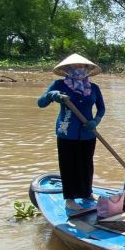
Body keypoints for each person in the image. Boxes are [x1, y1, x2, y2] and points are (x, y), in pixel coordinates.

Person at [37, 53, 105, 211]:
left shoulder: (94, 88)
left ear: (87, 69)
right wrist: (52, 96)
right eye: (74, 67)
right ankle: (70, 198)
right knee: (68, 165)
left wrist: (96, 121)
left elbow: (101, 108)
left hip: (88, 133)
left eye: (81, 66)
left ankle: (87, 193)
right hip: (67, 132)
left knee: (86, 164)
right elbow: (40, 103)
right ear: (67, 69)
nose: (78, 69)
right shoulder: (59, 85)